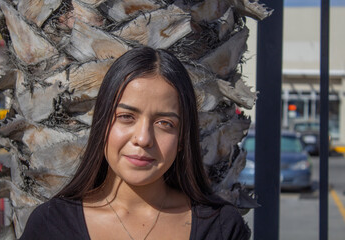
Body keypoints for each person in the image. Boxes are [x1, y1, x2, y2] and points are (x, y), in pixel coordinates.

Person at [20, 47, 250, 240]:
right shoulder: (51, 225)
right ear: (102, 126)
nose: (143, 138)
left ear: (182, 139)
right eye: (126, 117)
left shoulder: (221, 227)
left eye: (164, 123)